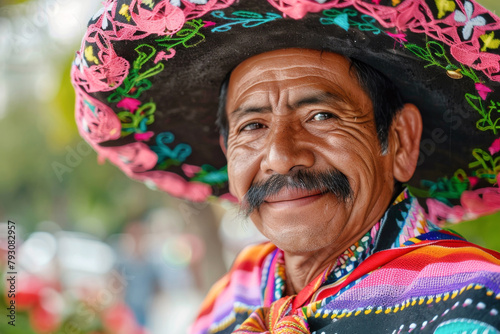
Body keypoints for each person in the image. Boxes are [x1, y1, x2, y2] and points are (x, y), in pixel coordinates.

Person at [72, 0, 500, 332]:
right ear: (227, 151)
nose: (279, 156)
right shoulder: (230, 301)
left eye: (321, 116)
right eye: (253, 126)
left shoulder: (476, 298)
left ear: (400, 140)